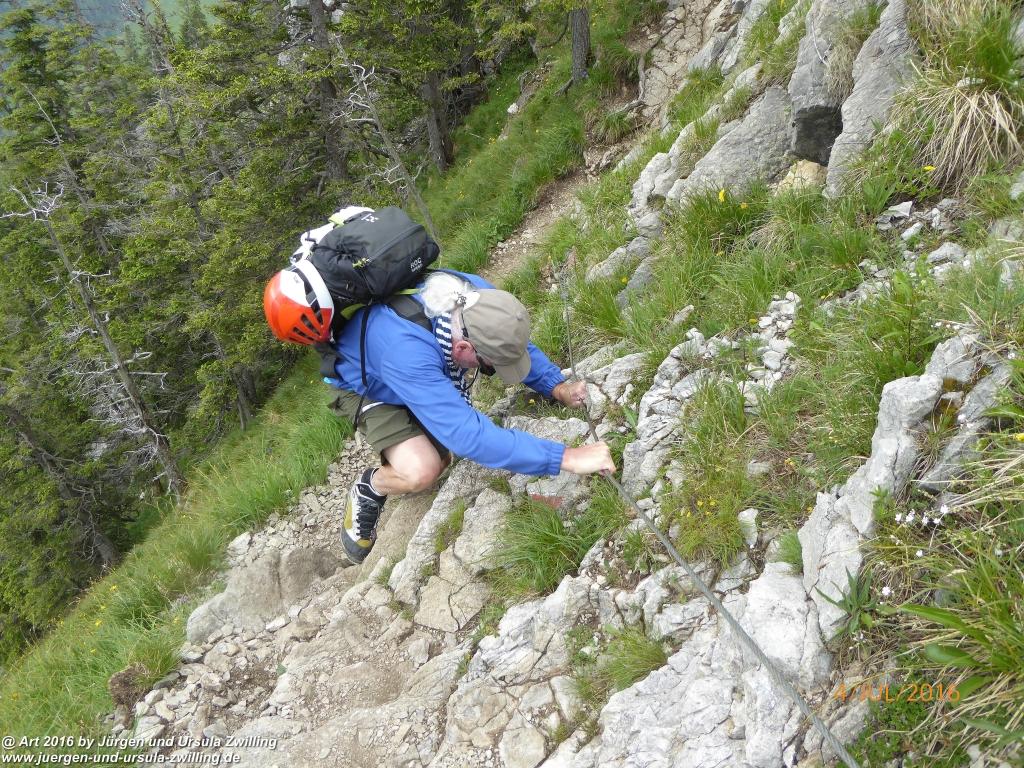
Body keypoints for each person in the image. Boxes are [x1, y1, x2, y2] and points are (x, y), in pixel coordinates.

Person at [264, 267, 616, 566]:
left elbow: (510, 342)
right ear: (462, 349)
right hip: (367, 382)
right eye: (489, 367)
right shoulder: (409, 353)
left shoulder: (474, 296)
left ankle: (416, 428)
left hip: (412, 368)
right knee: (425, 469)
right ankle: (371, 485)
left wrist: (555, 386)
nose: (492, 371)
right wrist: (567, 457)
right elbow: (469, 436)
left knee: (442, 443)